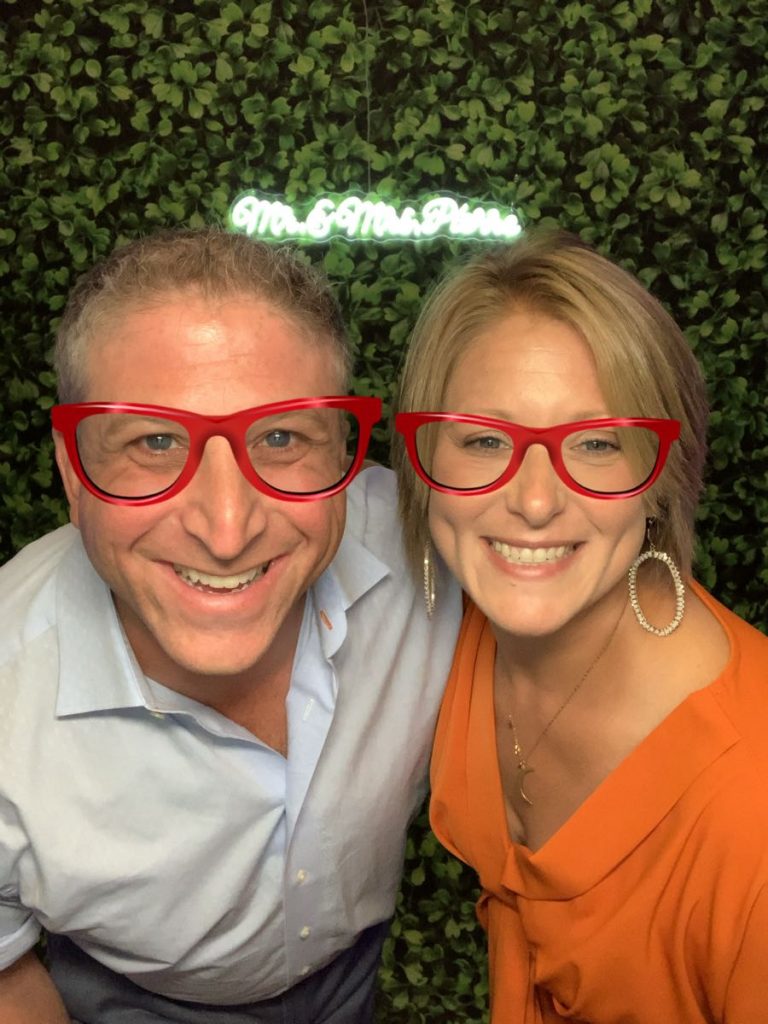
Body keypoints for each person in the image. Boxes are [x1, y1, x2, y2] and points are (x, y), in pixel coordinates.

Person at [0, 228, 461, 1024]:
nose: (225, 527)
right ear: (73, 470)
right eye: (152, 441)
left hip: (353, 972)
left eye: (281, 438)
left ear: (344, 453)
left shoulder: (440, 551)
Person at [392, 229, 768, 1023]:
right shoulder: (467, 627)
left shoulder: (750, 809)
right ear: (425, 462)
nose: (533, 502)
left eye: (597, 444)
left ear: (662, 482)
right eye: (485, 440)